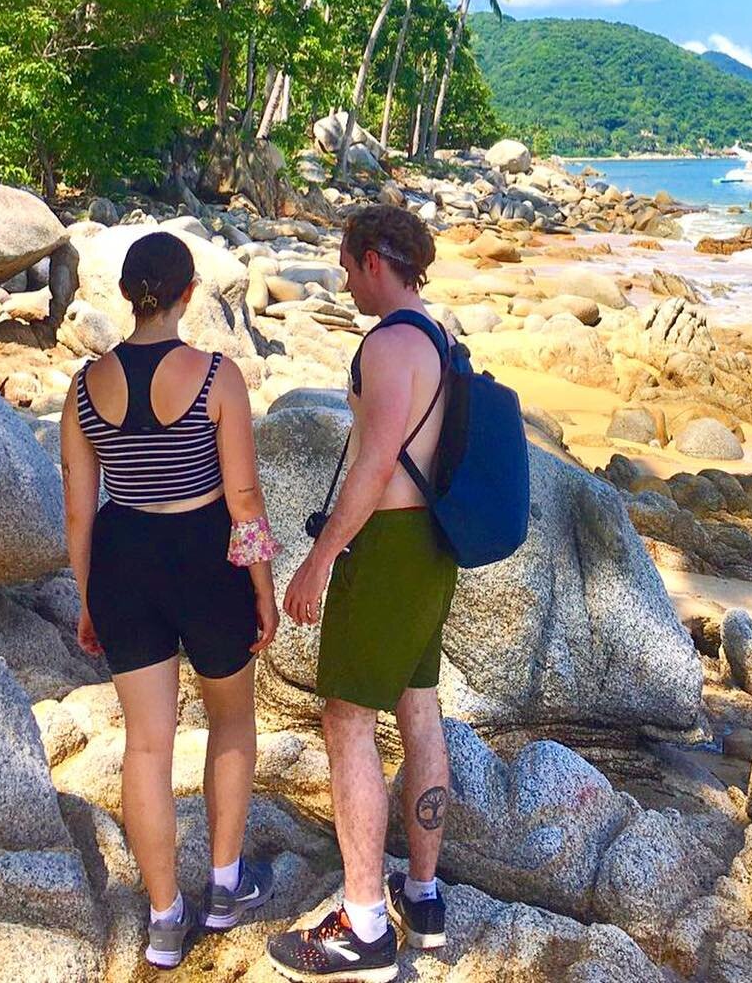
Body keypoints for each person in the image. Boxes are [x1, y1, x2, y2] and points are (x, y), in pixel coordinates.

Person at [61, 230, 281, 970]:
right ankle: (224, 887)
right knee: (231, 722)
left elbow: (78, 512)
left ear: (128, 294)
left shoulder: (84, 386)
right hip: (205, 560)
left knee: (147, 744)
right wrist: (263, 589)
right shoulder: (218, 377)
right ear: (190, 293)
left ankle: (163, 918)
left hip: (124, 561)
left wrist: (90, 598)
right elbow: (244, 499)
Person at [267, 206, 456, 983]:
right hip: (433, 550)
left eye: (346, 265)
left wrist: (318, 561)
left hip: (385, 550)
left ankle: (365, 926)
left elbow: (375, 466)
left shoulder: (386, 347)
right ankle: (425, 895)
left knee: (347, 719)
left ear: (376, 259)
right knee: (419, 707)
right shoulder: (440, 339)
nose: (342, 280)